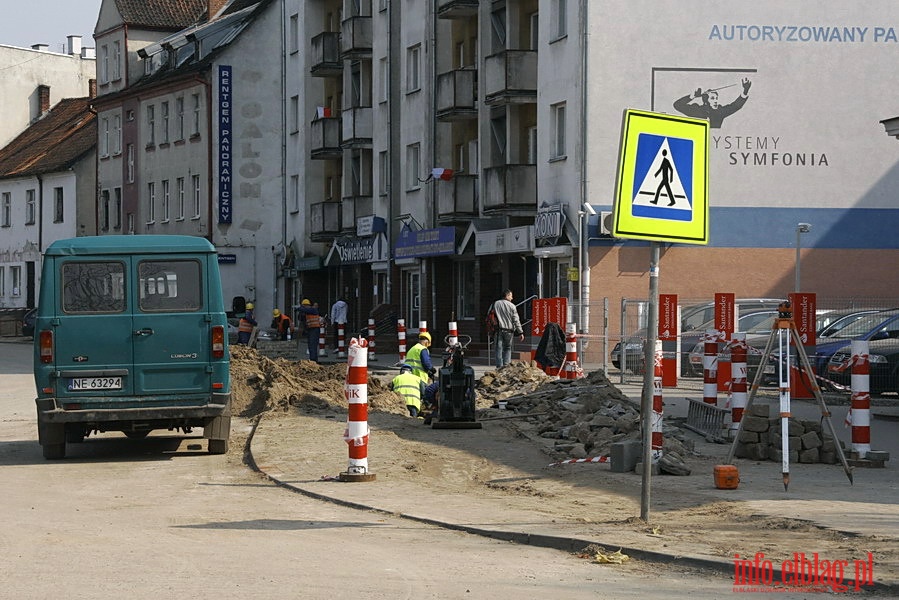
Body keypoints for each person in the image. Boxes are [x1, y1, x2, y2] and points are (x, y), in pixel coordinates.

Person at [672, 77, 751, 129]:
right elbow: (677, 105)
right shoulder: (698, 110)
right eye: (712, 98)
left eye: (716, 98)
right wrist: (692, 96)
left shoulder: (720, 111)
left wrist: (745, 91)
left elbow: (735, 106)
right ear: (706, 101)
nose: (716, 100)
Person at [489, 289, 524, 368]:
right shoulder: (512, 306)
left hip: (498, 330)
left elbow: (489, 316)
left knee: (498, 348)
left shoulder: (495, 304)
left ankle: (499, 367)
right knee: (507, 348)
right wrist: (520, 332)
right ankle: (506, 366)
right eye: (511, 296)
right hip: (509, 331)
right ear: (507, 296)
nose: (512, 298)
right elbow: (516, 320)